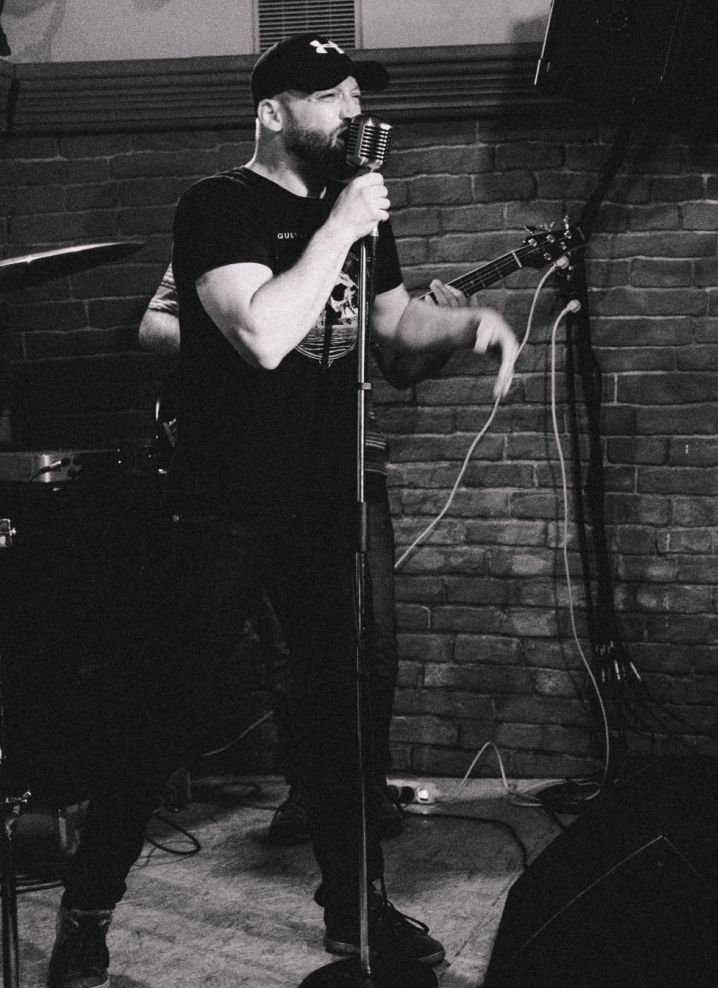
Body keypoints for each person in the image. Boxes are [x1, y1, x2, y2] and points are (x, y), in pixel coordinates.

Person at [47, 33, 519, 988]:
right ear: (273, 112)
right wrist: (340, 226)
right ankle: (86, 914)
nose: (352, 111)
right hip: (223, 503)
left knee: (339, 719)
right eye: (330, 96)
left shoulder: (359, 212)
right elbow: (261, 332)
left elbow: (390, 325)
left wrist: (469, 325)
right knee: (162, 712)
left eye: (355, 96)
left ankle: (357, 910)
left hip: (325, 499)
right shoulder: (218, 206)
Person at [141, 262, 472, 844]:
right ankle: (307, 790)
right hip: (265, 466)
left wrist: (446, 330)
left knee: (373, 640)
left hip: (351, 465)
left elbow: (398, 369)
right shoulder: (232, 234)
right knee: (289, 649)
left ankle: (365, 785)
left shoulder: (359, 246)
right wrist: (257, 337)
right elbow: (153, 327)